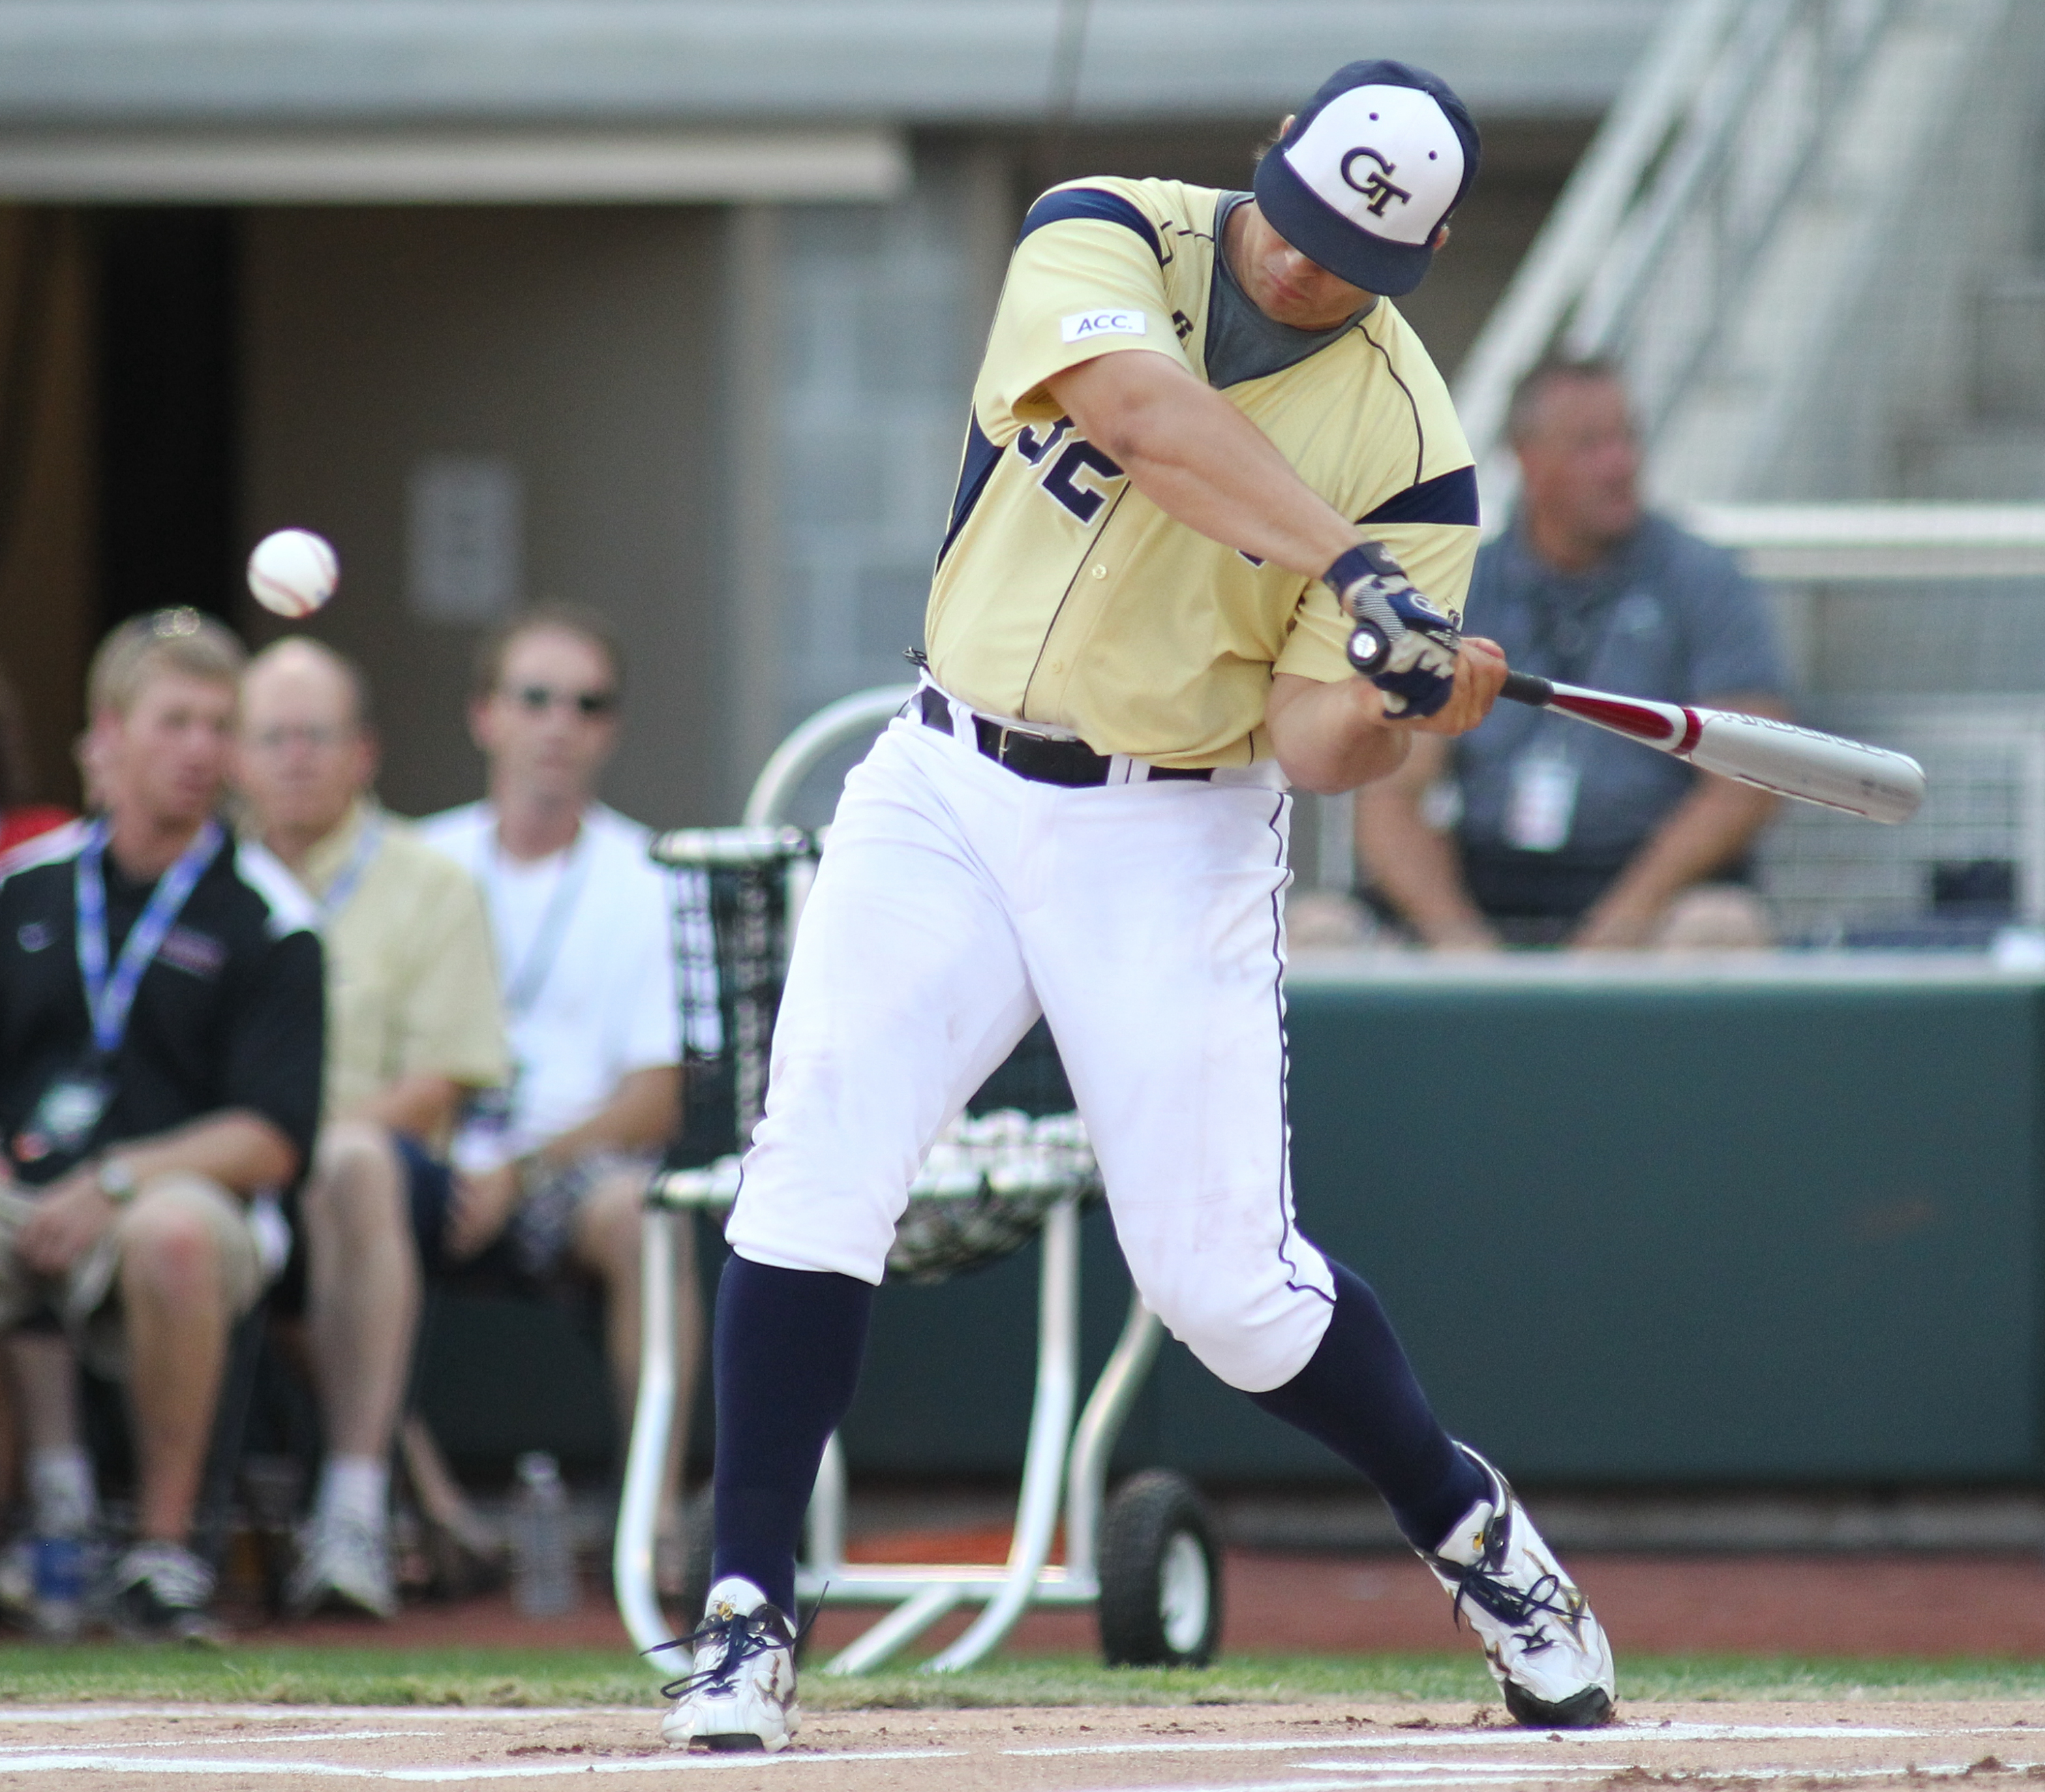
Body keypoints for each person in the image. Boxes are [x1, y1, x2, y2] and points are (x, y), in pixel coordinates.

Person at [661, 60, 1614, 1754]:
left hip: (1167, 831)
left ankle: (1472, 1531)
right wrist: (1348, 575)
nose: (1309, 273)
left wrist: (1404, 701)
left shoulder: (1416, 450)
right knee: (811, 1159)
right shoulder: (1104, 229)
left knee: (1223, 1290)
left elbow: (1313, 743)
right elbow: (1134, 415)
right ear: (1269, 160)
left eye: (1357, 258)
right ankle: (745, 1607)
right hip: (944, 780)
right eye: (1303, 226)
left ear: (1431, 248)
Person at [0, 608, 322, 1640]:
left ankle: (164, 1556)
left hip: (178, 1204)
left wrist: (121, 1179)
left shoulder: (266, 911)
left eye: (218, 726)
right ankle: (28, 1528)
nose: (200, 750)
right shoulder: (25, 886)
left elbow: (274, 1136)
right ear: (110, 733)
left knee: (172, 1233)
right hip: (25, 1190)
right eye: (174, 720)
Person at [419, 607, 712, 1537]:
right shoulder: (418, 862)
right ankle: (420, 1506)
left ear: (610, 728)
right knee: (333, 1196)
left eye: (587, 704)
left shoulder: (651, 873)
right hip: (423, 1159)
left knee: (644, 1217)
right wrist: (438, 1158)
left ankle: (652, 1524)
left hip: (566, 1178)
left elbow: (654, 1099)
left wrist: (524, 1169)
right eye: (535, 698)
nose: (559, 724)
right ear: (484, 715)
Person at [234, 637, 512, 1619]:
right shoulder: (206, 879)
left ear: (364, 752)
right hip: (228, 1173)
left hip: (387, 1178)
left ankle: (353, 1507)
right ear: (237, 753)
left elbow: (441, 1081)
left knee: (347, 1160)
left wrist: (288, 1145)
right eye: (271, 736)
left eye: (317, 736)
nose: (295, 757)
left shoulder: (427, 880)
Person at [1355, 356, 1793, 949]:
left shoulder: (1702, 579)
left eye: (1627, 438)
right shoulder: (1462, 588)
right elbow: (1392, 791)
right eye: (1590, 445)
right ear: (1528, 461)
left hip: (1651, 886)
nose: (1621, 465)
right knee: (1321, 933)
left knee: (1720, 930)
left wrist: (1621, 923)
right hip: (1488, 877)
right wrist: (1459, 941)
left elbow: (1750, 778)